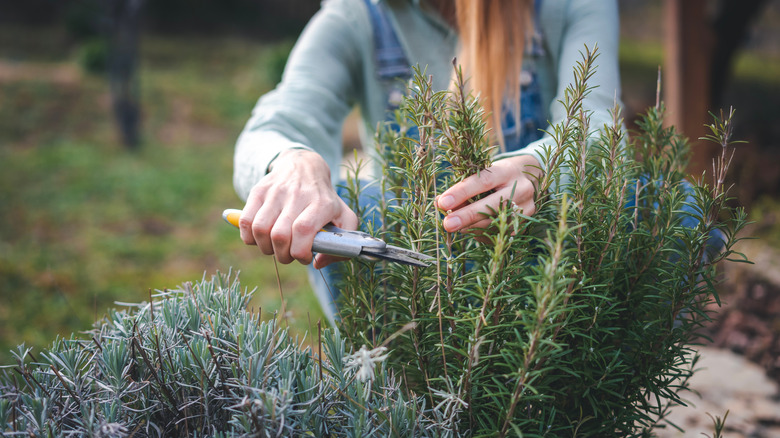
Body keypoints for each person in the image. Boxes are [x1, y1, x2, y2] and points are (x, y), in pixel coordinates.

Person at [232, 0, 622, 323]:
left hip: (544, 268)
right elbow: (275, 124)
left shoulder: (569, 7)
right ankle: (392, 400)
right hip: (412, 286)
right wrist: (292, 161)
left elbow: (599, 125)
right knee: (352, 207)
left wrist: (545, 168)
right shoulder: (360, 14)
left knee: (673, 207)